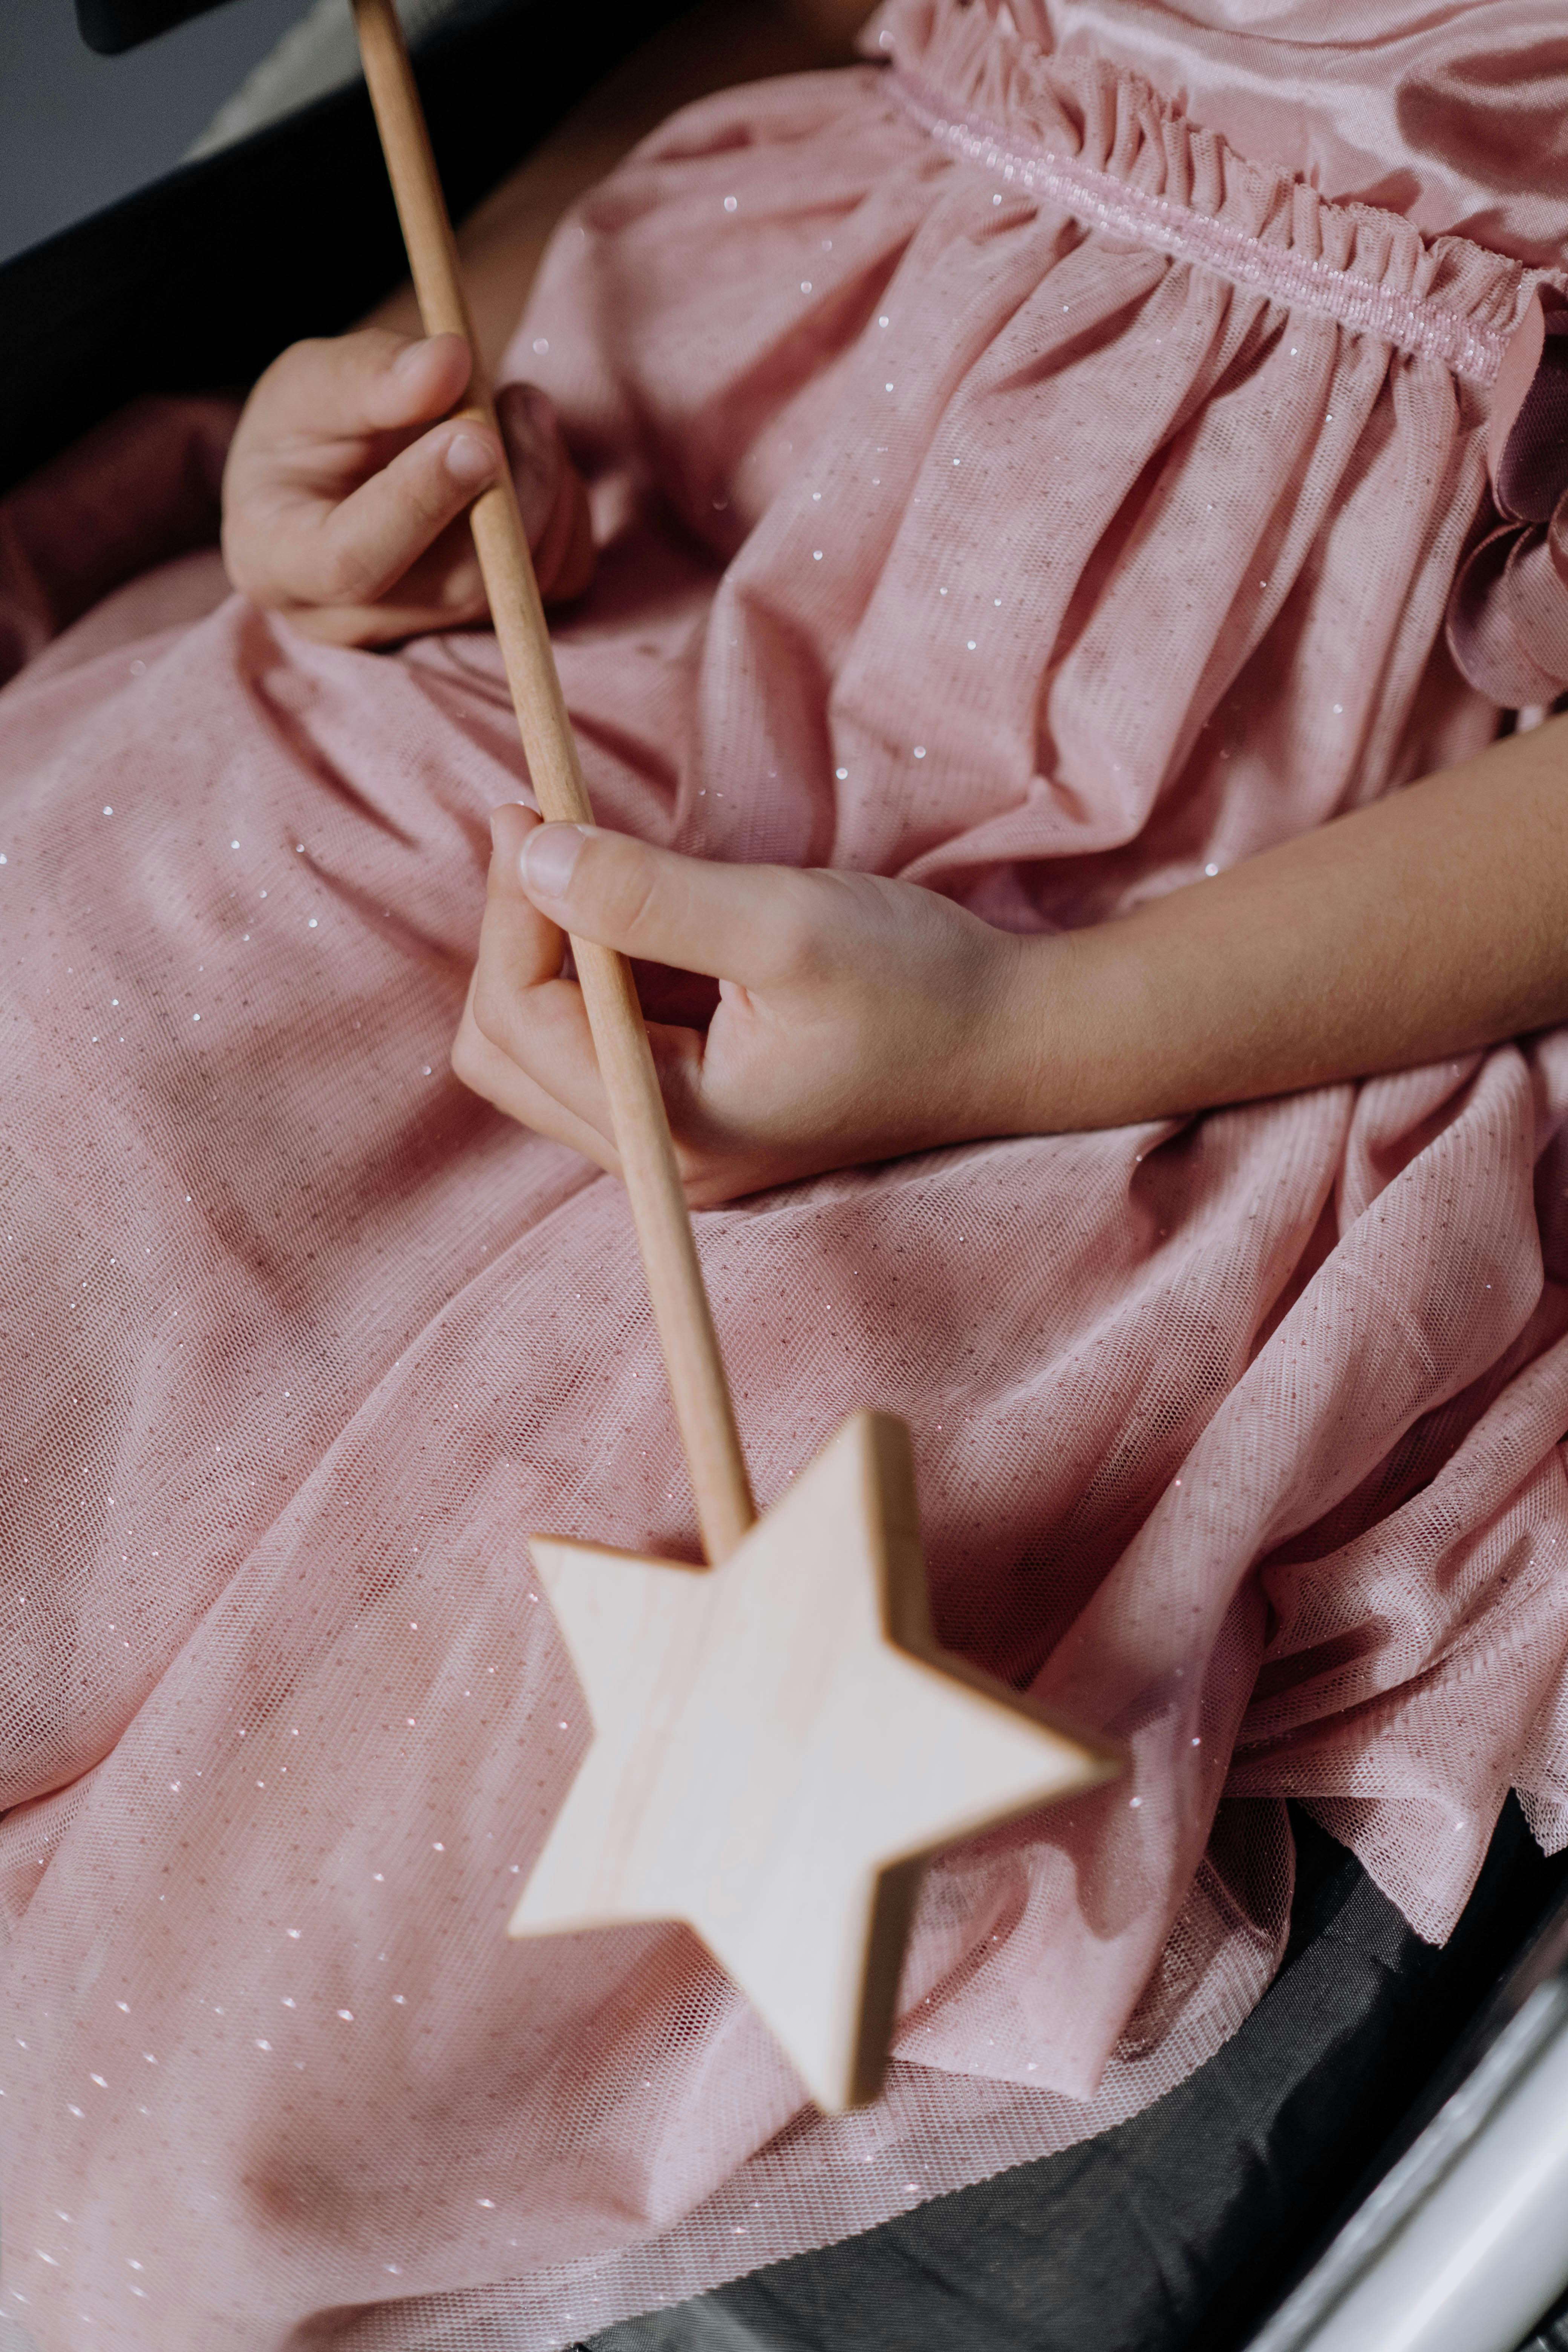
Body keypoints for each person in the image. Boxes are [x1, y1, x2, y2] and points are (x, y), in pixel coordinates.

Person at [4, 0, 1568, 2342]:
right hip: (655, 546)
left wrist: (1015, 1044)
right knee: (100, 1041)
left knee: (425, 1839)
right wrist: (433, 395)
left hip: (1184, 925)